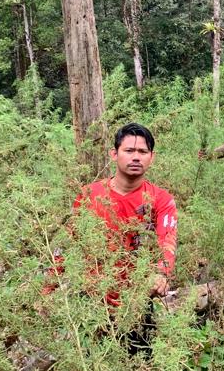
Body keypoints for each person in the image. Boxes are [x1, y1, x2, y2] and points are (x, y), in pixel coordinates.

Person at [73, 122, 178, 303]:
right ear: (114, 154)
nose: (136, 157)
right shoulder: (89, 195)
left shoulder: (161, 199)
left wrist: (160, 274)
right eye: (129, 151)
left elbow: (167, 241)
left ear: (152, 157)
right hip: (91, 300)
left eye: (142, 152)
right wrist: (49, 289)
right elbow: (68, 244)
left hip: (135, 302)